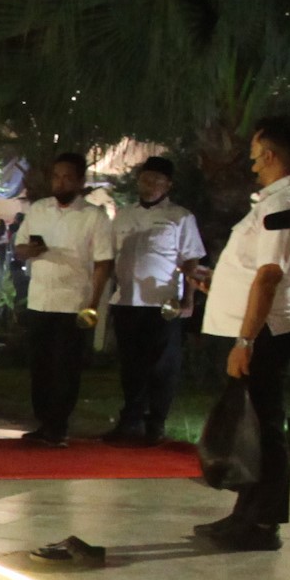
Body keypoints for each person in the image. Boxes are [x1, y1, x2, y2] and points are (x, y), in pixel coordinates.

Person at [188, 117, 290, 549]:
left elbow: (269, 276)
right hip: (252, 327)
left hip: (265, 331)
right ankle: (246, 514)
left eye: (254, 156)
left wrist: (245, 341)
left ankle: (263, 523)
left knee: (263, 427)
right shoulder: (275, 200)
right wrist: (219, 283)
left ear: (269, 153)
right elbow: (255, 270)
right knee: (252, 426)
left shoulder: (286, 202)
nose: (251, 165)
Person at [86, 155, 203, 444]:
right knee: (131, 365)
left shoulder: (180, 217)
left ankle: (156, 424)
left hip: (162, 304)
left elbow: (191, 260)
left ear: (168, 185)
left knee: (162, 366)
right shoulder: (124, 215)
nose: (150, 185)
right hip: (127, 301)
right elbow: (109, 257)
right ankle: (131, 421)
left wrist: (188, 300)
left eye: (157, 181)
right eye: (146, 179)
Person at [11, 153, 104, 445]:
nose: (60, 182)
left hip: (72, 302)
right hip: (40, 299)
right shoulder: (38, 210)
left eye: (67, 177)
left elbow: (104, 262)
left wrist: (93, 303)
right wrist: (30, 251)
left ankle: (58, 425)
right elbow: (19, 248)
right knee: (40, 366)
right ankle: (43, 422)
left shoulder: (93, 216)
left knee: (65, 367)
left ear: (79, 181)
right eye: (56, 176)